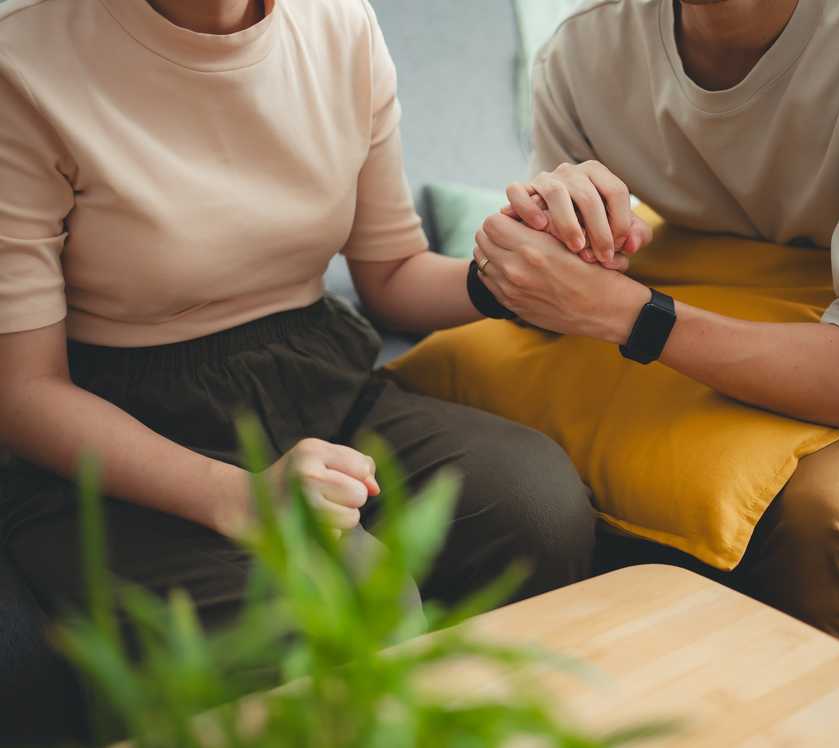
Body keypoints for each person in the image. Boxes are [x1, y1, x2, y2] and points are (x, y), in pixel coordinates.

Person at [0, 0, 602, 645]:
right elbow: (24, 390)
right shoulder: (25, 57)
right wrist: (236, 497)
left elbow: (393, 274)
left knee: (535, 508)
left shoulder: (339, 22)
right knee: (321, 612)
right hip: (121, 426)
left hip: (317, 376)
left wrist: (517, 273)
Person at [474, 0, 839, 659]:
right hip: (726, 287)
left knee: (826, 510)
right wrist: (558, 236)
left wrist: (628, 314)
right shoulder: (585, 46)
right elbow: (548, 273)